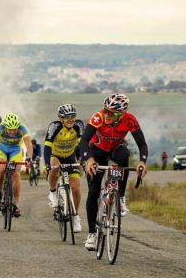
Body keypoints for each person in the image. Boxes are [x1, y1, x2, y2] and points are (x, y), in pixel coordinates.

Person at [79, 93, 148, 250]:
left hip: (116, 148)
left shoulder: (129, 119)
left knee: (124, 155)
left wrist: (142, 162)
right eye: (106, 110)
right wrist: (89, 160)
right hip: (96, 151)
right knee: (94, 191)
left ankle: (121, 197)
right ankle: (91, 234)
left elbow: (142, 144)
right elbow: (83, 141)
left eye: (112, 113)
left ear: (122, 114)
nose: (107, 115)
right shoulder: (98, 117)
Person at [44, 104, 84, 233]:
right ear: (60, 118)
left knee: (76, 188)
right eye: (67, 117)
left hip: (70, 156)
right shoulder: (54, 126)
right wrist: (47, 165)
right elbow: (47, 147)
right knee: (54, 168)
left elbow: (82, 146)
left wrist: (82, 160)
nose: (71, 119)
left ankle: (75, 216)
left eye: (73, 116)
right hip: (56, 155)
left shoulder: (78, 126)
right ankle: (52, 192)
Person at [0, 112, 33, 217]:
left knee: (16, 174)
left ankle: (15, 204)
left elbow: (29, 145)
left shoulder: (22, 128)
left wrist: (28, 158)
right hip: (2, 149)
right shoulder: (0, 128)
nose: (12, 132)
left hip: (15, 150)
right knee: (1, 169)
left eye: (14, 129)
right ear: (5, 126)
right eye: (10, 129)